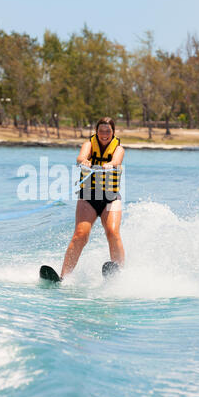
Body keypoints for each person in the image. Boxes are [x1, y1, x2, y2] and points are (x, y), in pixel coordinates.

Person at [60, 117, 125, 279]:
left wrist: (111, 164)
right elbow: (80, 157)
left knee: (113, 232)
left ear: (113, 133)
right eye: (101, 130)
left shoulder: (119, 148)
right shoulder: (88, 144)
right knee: (80, 235)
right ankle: (63, 277)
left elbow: (117, 160)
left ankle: (121, 275)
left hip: (111, 197)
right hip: (88, 196)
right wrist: (84, 161)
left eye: (108, 131)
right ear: (96, 131)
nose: (104, 134)